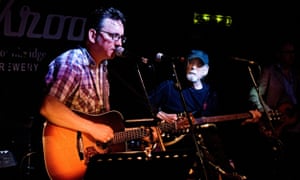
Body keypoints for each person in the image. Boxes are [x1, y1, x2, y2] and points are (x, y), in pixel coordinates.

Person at [39, 7, 158, 180]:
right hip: (65, 155)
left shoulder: (103, 67)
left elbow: (103, 127)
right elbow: (48, 106)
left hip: (92, 162)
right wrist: (92, 128)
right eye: (113, 36)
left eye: (121, 37)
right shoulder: (73, 62)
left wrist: (138, 137)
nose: (119, 44)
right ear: (93, 35)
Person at [148, 49, 262, 180]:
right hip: (171, 146)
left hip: (199, 147)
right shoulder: (169, 87)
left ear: (206, 70)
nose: (193, 67)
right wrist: (163, 115)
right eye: (190, 63)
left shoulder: (210, 93)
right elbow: (144, 105)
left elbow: (216, 125)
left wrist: (247, 116)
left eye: (199, 65)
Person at [249, 39, 300, 180]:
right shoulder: (270, 71)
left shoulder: (296, 74)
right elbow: (255, 93)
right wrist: (267, 111)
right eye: (288, 52)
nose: (292, 56)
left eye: (293, 52)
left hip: (294, 126)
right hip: (276, 124)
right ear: (279, 54)